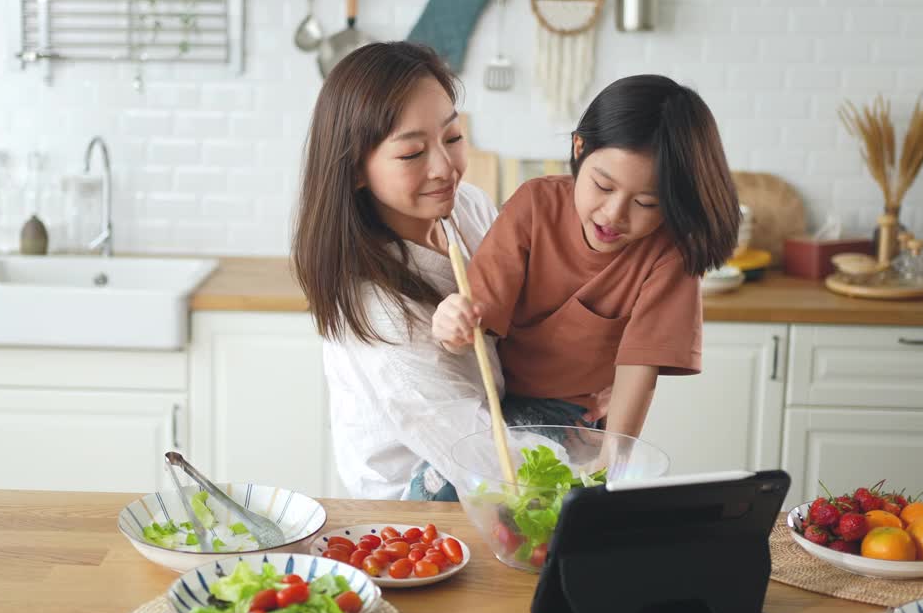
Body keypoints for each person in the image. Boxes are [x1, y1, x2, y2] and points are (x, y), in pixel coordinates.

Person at [432, 74, 740, 440]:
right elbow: (476, 321)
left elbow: (638, 369)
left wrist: (614, 460)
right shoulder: (534, 204)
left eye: (646, 203)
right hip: (491, 394)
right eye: (603, 186)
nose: (614, 215)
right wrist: (450, 325)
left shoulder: (671, 254)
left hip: (572, 411)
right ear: (579, 148)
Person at [292, 42, 502, 501]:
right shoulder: (379, 311)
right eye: (411, 154)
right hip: (418, 502)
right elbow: (483, 459)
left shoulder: (467, 209)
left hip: (493, 430)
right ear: (356, 170)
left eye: (452, 137)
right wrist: (588, 461)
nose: (445, 169)